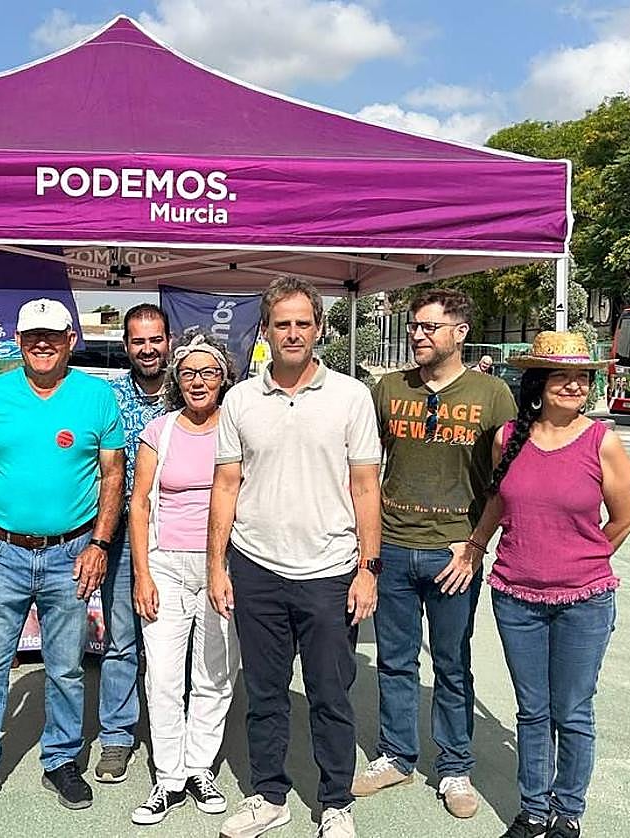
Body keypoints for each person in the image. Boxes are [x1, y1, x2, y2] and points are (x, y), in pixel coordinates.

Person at [210, 276, 382, 838]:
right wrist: (217, 566)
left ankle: (335, 803)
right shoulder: (238, 400)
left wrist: (368, 569)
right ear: (265, 330)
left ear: (319, 329)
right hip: (256, 567)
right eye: (281, 323)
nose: (292, 333)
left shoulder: (351, 397)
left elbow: (365, 489)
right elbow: (227, 485)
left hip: (331, 573)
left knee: (331, 696)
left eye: (303, 323)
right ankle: (269, 797)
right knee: (264, 694)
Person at [0, 298, 125, 819]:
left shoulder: (97, 396)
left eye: (52, 334)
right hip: (1, 552)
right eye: (31, 336)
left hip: (72, 552)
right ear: (17, 342)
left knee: (66, 668)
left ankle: (62, 759)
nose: (41, 343)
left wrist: (99, 545)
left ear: (71, 339)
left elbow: (113, 476)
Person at [467, 331, 630, 838]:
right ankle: (534, 811)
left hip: (584, 602)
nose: (574, 386)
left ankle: (568, 813)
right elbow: (500, 501)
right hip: (515, 597)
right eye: (562, 376)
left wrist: (580, 561)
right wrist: (476, 545)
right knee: (532, 710)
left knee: (572, 710)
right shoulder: (508, 438)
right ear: (537, 382)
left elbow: (625, 519)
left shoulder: (601, 440)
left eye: (582, 377)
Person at [356, 288, 516, 819]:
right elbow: (363, 468)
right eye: (415, 326)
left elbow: (506, 481)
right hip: (396, 548)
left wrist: (475, 546)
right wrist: (369, 550)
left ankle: (454, 768)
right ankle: (397, 756)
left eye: (429, 327)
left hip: (456, 554)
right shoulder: (388, 389)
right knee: (395, 661)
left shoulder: (492, 395)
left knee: (452, 665)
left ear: (459, 333)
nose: (418, 335)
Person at [128, 329, 239, 827]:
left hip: (224, 566)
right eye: (188, 373)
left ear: (224, 379)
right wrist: (141, 573)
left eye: (208, 372)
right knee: (165, 675)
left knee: (215, 675)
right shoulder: (161, 430)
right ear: (177, 379)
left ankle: (200, 768)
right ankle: (168, 777)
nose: (198, 382)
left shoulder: (237, 428)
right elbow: (139, 502)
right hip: (167, 565)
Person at [97, 303, 171, 783]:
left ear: (168, 341)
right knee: (122, 639)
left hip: (180, 535)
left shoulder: (192, 391)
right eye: (138, 341)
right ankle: (118, 737)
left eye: (156, 339)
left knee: (173, 642)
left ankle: (176, 735)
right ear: (126, 346)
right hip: (123, 533)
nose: (148, 349)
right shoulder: (107, 397)